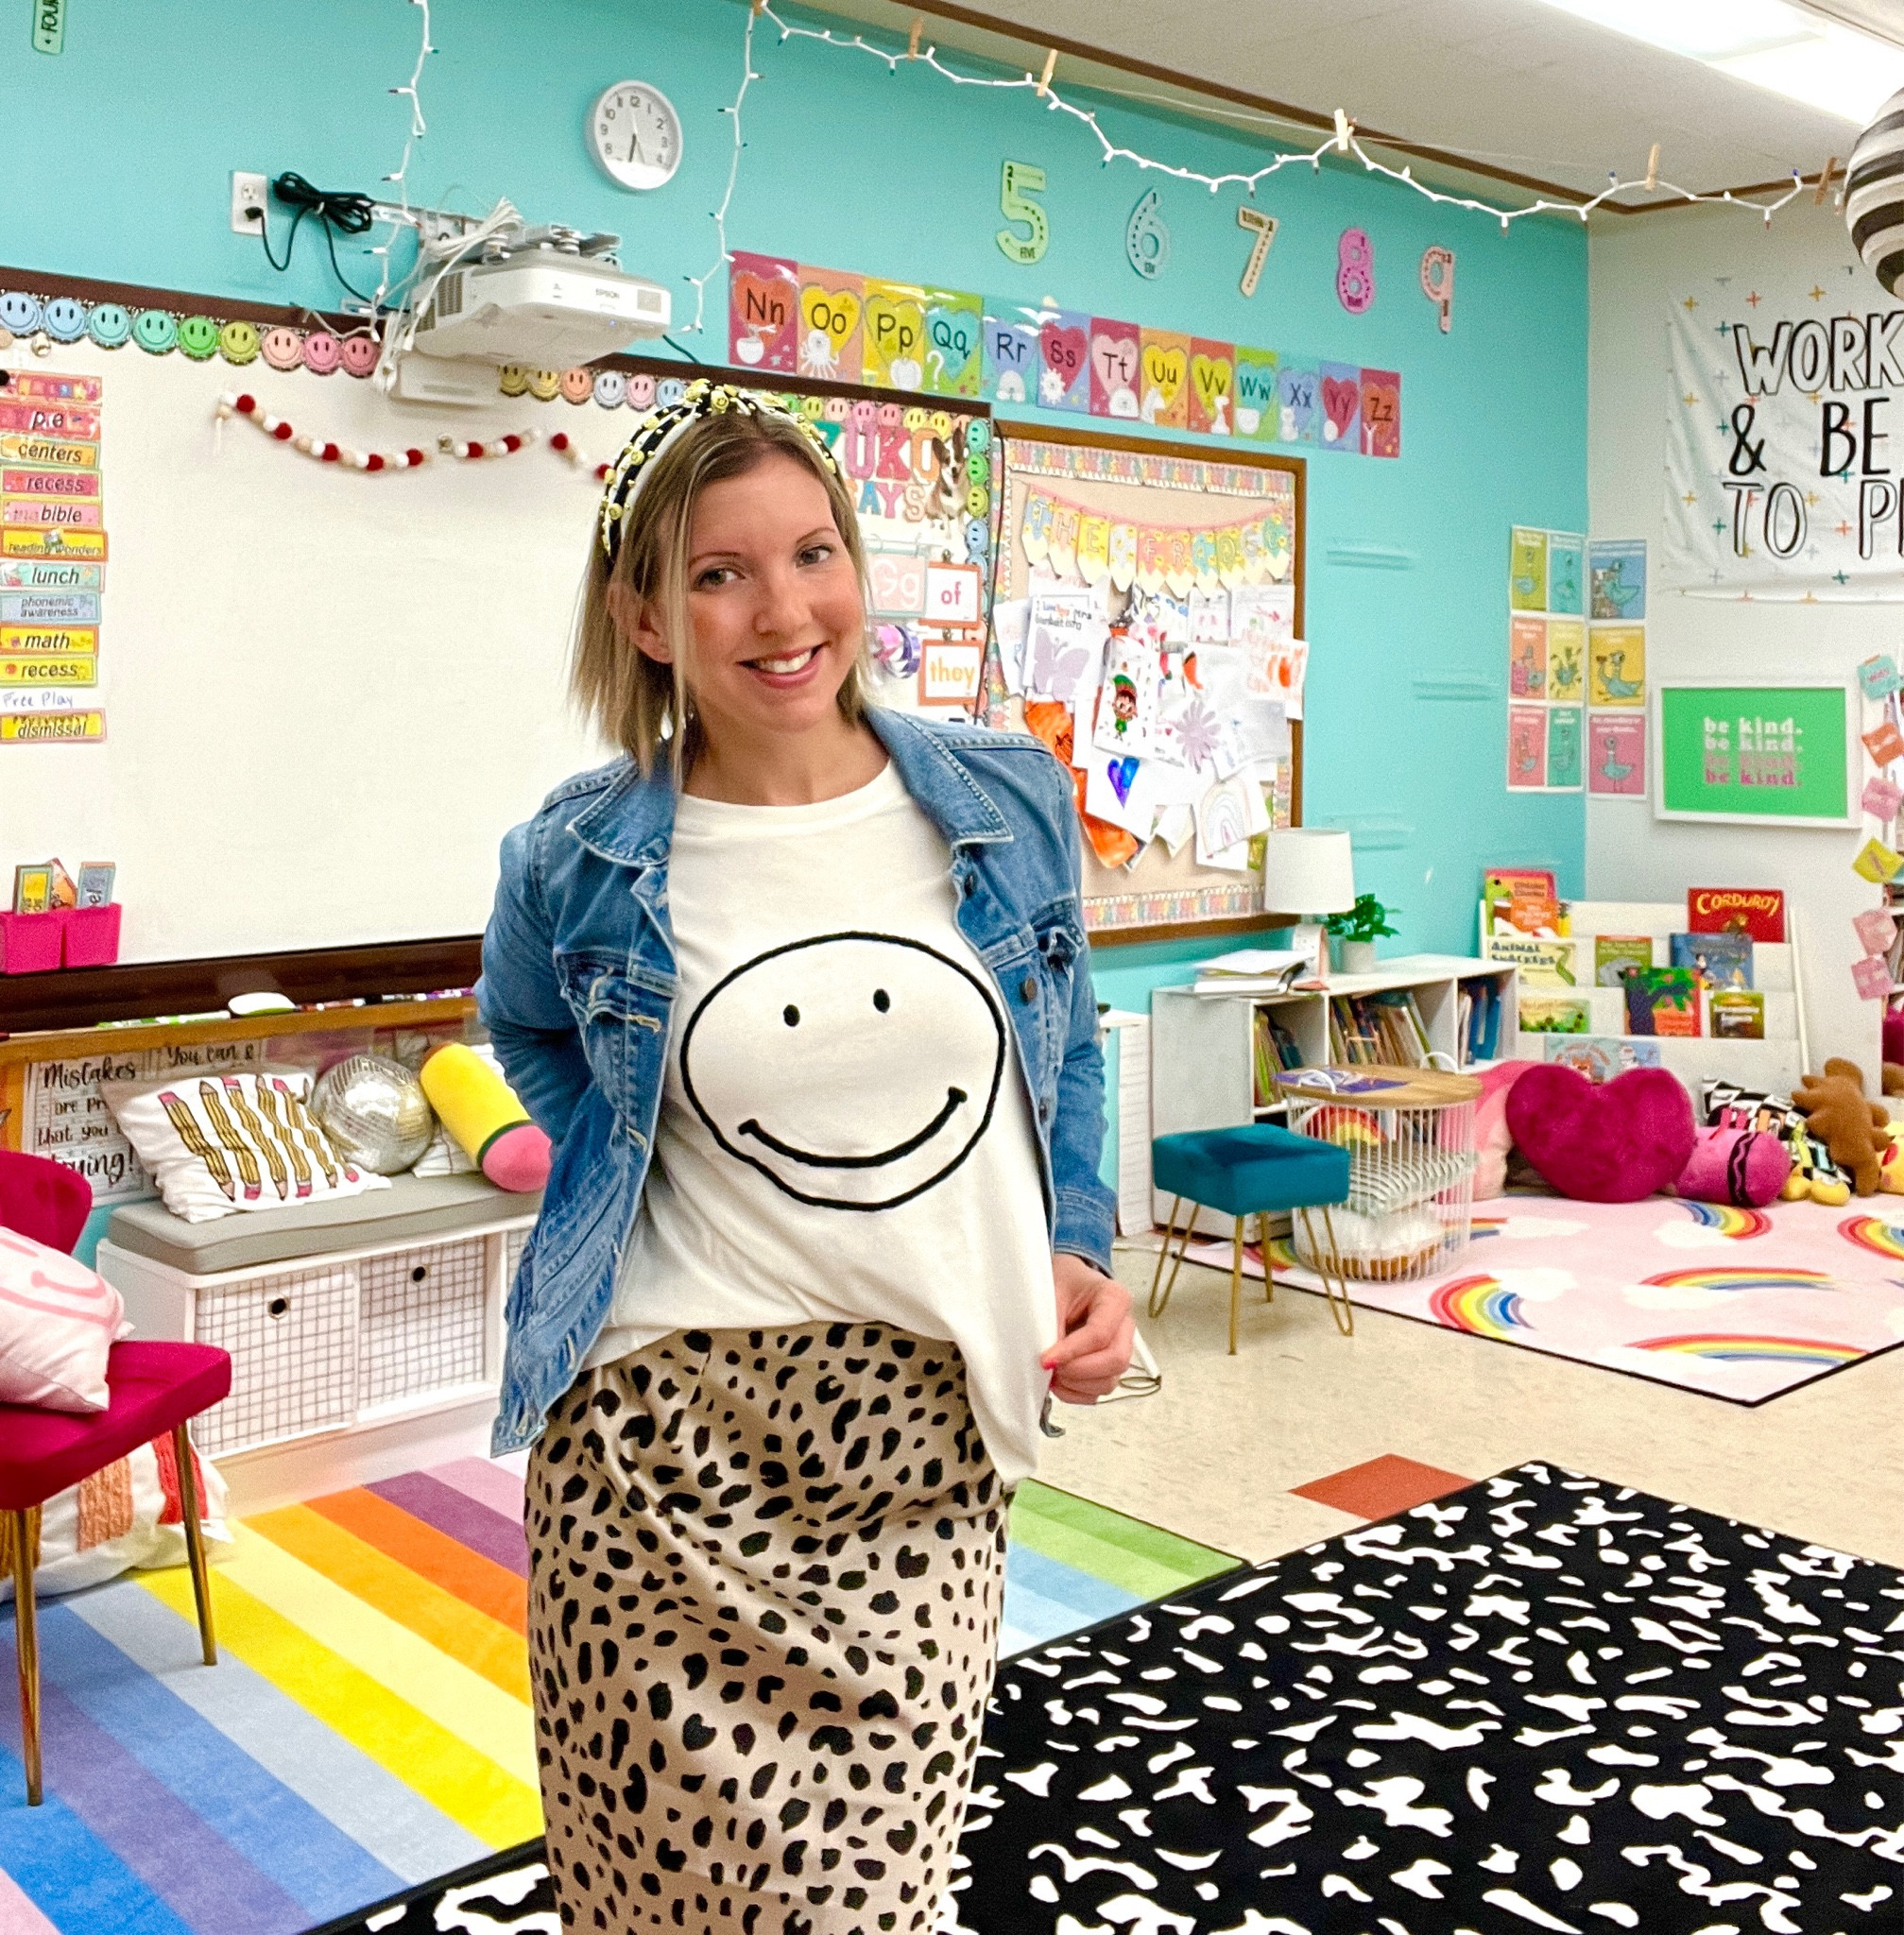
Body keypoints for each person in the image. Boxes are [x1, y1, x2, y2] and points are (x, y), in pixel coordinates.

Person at [478, 380, 1134, 1934]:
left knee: (867, 1903)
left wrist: (1081, 1240)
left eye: (813, 553)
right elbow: (534, 1036)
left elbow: (1073, 1048)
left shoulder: (1007, 801)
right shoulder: (574, 856)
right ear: (646, 616)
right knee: (651, 1907)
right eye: (719, 572)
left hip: (921, 1455)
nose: (784, 610)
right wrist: (630, 1171)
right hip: (656, 1458)